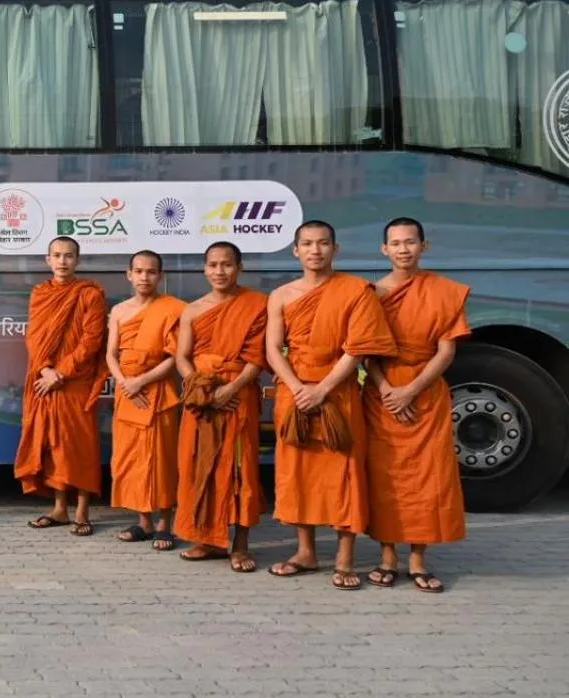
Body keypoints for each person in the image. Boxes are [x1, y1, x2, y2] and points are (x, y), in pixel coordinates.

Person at [266, 220, 397, 589]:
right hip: (295, 393)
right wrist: (298, 387)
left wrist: (322, 388)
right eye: (307, 244)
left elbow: (357, 347)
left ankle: (345, 559)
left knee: (344, 473)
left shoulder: (355, 290)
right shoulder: (281, 295)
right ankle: (305, 552)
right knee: (298, 473)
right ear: (295, 250)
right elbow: (273, 349)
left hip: (337, 391)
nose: (315, 250)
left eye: (323, 243)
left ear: (335, 249)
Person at [363, 218, 469, 593]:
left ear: (424, 246)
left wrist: (411, 390)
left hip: (425, 393)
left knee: (428, 478)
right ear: (384, 250)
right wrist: (387, 390)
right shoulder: (372, 294)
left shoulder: (442, 291)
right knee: (385, 477)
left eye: (410, 242)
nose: (403, 249)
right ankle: (387, 557)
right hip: (382, 394)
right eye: (396, 243)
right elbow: (366, 351)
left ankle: (418, 559)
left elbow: (446, 350)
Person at [173, 242, 269, 572]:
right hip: (200, 398)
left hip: (238, 397)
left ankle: (240, 544)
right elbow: (182, 357)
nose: (220, 271)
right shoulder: (192, 310)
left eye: (227, 264)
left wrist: (230, 389)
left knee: (240, 468)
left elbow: (257, 358)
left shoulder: (256, 304)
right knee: (199, 463)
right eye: (213, 265)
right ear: (204, 269)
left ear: (239, 268)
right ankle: (208, 539)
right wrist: (200, 386)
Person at [16, 236, 108, 536]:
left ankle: (82, 511)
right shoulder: (40, 293)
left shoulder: (90, 294)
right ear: (48, 260)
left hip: (76, 381)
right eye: (56, 255)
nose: (62, 261)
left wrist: (62, 372)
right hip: (44, 379)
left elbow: (92, 341)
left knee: (80, 445)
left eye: (69, 256)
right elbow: (34, 337)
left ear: (77, 260)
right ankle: (59, 509)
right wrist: (45, 369)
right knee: (52, 443)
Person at [106, 250, 184, 551]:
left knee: (162, 458)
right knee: (131, 458)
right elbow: (111, 354)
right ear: (129, 275)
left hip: (158, 391)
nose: (144, 277)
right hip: (128, 392)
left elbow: (175, 357)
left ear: (160, 276)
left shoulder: (173, 308)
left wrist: (141, 381)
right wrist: (125, 382)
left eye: (151, 272)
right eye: (139, 271)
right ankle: (144, 522)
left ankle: (165, 524)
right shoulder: (119, 311)